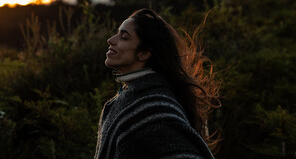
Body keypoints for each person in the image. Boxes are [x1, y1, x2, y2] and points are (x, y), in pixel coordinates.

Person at [94, 8, 219, 159]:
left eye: (124, 37)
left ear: (144, 53)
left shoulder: (156, 108)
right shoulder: (124, 100)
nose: (111, 40)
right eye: (117, 33)